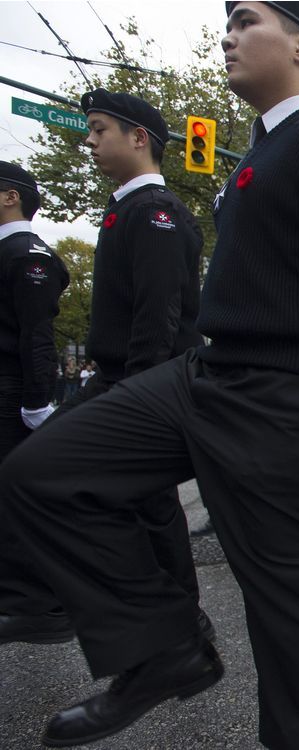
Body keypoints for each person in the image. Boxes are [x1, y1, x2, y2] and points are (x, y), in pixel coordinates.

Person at [0, 4, 299, 748]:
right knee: (40, 474)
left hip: (277, 397)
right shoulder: (253, 156)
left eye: (246, 20)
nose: (227, 36)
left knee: (282, 599)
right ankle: (164, 648)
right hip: (203, 374)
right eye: (226, 25)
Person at [2, 89, 217, 644]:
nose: (90, 141)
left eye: (99, 130)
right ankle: (159, 618)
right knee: (133, 500)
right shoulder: (130, 208)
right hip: (123, 379)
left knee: (38, 471)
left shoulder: (156, 212)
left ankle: (64, 603)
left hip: (139, 383)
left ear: (138, 138)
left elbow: (159, 315)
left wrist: (136, 400)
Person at [0, 162, 71, 644]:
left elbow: (36, 336)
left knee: (16, 499)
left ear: (10, 196)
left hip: (12, 392)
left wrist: (37, 401)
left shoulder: (28, 255)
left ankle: (40, 602)